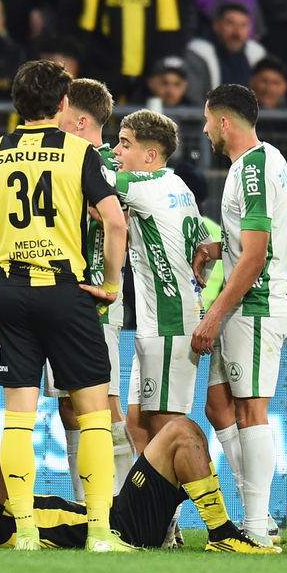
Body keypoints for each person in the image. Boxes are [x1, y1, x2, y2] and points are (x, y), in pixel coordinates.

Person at [0, 59, 132, 553]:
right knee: (93, 418)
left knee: (18, 419)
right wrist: (110, 283)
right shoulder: (78, 153)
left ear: (15, 104)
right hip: (67, 293)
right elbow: (115, 223)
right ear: (64, 104)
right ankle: (101, 533)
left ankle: (23, 531)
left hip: (14, 295)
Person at [0, 416, 279, 553]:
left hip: (115, 515)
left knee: (183, 432)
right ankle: (222, 532)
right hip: (120, 528)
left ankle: (220, 531)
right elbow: (2, 463)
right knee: (180, 432)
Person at [191, 84, 287, 546]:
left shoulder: (252, 168)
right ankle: (262, 514)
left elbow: (256, 256)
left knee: (251, 410)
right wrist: (220, 247)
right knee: (218, 406)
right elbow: (249, 242)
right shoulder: (256, 162)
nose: (206, 128)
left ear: (224, 121)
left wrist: (214, 313)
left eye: (208, 119)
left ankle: (255, 527)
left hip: (255, 305)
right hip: (246, 303)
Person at [41, 78, 135, 503]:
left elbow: (120, 224)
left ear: (79, 120)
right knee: (70, 408)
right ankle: (86, 506)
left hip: (95, 302)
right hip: (62, 298)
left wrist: (109, 284)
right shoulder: (68, 160)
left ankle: (132, 510)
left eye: (60, 113)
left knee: (105, 406)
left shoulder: (103, 165)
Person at [113, 109, 210, 446]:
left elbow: (88, 178)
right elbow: (204, 249)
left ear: (150, 155)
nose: (116, 151)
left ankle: (206, 497)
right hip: (162, 321)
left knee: (171, 431)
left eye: (125, 144)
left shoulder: (143, 185)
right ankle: (152, 501)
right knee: (138, 425)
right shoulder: (177, 183)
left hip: (169, 325)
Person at [184, 2, 267, 106]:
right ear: (216, 25)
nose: (237, 32)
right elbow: (194, 100)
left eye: (243, 25)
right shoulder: (199, 53)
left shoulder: (257, 55)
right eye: (230, 23)